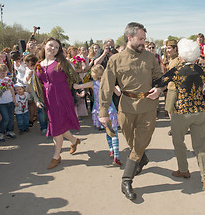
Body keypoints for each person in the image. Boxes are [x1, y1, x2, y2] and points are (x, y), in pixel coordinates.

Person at [98, 22, 163, 200]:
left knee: (140, 142)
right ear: (130, 38)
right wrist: (103, 111)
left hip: (148, 108)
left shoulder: (151, 57)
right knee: (132, 142)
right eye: (140, 39)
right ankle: (141, 158)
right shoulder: (115, 60)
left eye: (144, 38)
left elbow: (159, 79)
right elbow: (106, 86)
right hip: (126, 107)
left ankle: (126, 180)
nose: (144, 42)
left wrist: (159, 89)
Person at [154, 38, 205, 192]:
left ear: (181, 55)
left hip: (181, 112)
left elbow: (159, 82)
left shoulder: (177, 71)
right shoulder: (203, 70)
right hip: (200, 111)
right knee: (201, 145)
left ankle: (183, 169)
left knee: (178, 141)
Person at [33, 37, 82, 169]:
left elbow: (75, 78)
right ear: (44, 46)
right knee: (59, 125)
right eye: (50, 45)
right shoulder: (38, 65)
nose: (53, 49)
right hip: (49, 101)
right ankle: (73, 140)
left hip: (63, 98)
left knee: (55, 127)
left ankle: (56, 156)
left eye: (56, 47)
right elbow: (36, 85)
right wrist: (37, 100)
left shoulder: (63, 63)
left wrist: (79, 89)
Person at [74, 65, 122, 166]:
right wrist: (117, 86)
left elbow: (77, 86)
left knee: (107, 131)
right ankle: (116, 157)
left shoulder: (93, 83)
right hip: (111, 110)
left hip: (99, 111)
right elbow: (118, 93)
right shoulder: (109, 83)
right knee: (114, 133)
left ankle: (111, 150)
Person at [0, 64, 16, 142]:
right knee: (5, 118)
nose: (3, 75)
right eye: (1, 73)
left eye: (5, 73)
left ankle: (9, 131)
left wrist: (14, 98)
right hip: (1, 103)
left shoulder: (8, 79)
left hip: (10, 101)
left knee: (11, 118)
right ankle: (0, 132)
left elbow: (12, 90)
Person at [24, 54, 47, 135]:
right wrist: (29, 75)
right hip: (35, 91)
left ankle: (48, 126)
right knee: (41, 109)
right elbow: (26, 81)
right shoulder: (28, 71)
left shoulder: (39, 67)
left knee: (45, 109)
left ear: (30, 62)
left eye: (26, 63)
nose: (25, 65)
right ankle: (43, 127)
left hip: (42, 89)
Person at [164, 39, 181, 133]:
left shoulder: (179, 59)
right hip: (171, 87)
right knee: (170, 110)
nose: (167, 50)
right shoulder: (171, 59)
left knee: (174, 110)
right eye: (166, 48)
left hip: (176, 88)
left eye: (169, 48)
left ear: (175, 49)